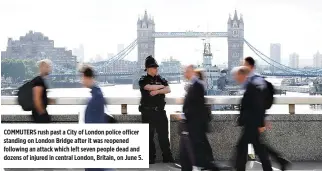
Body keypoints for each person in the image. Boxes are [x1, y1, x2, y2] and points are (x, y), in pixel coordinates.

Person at [243, 57, 290, 171]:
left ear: (250, 66)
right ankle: (280, 161)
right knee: (258, 145)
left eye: (244, 65)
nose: (243, 67)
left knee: (256, 145)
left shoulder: (256, 80)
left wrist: (263, 119)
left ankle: (277, 162)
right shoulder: (251, 79)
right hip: (253, 118)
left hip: (255, 119)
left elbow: (260, 102)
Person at [180, 65, 219, 171]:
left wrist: (184, 114)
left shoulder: (197, 85)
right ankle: (206, 164)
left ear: (192, 72)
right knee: (195, 146)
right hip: (193, 122)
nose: (184, 73)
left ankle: (208, 165)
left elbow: (195, 106)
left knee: (194, 147)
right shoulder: (194, 85)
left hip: (194, 122)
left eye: (186, 71)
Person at [233, 66, 272, 171]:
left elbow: (258, 106)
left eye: (237, 75)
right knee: (258, 149)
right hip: (251, 124)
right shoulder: (249, 87)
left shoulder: (251, 87)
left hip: (252, 125)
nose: (235, 78)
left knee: (243, 148)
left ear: (243, 75)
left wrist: (260, 124)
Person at [138, 55, 174, 164]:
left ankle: (167, 157)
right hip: (147, 112)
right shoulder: (143, 79)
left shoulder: (161, 79)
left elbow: (168, 89)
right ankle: (150, 158)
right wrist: (160, 87)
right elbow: (148, 87)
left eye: (156, 67)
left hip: (160, 112)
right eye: (154, 67)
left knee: (163, 136)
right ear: (148, 69)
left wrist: (157, 91)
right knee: (148, 137)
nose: (156, 69)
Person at [80, 65, 114, 171]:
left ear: (87, 77)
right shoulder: (96, 93)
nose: (81, 80)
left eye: (82, 77)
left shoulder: (96, 96)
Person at [31, 59, 52, 123]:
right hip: (39, 115)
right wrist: (43, 114)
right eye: (47, 67)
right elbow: (36, 99)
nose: (49, 69)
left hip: (39, 114)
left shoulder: (41, 80)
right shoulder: (38, 81)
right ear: (42, 67)